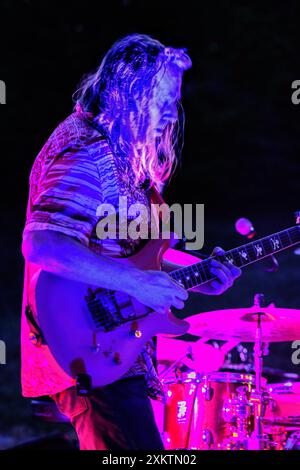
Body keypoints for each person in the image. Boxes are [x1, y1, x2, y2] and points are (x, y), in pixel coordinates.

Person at [21, 33, 241, 450]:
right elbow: (43, 244)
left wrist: (192, 274)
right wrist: (136, 284)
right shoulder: (86, 152)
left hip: (117, 345)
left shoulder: (121, 154)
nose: (172, 116)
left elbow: (124, 253)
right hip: (83, 347)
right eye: (163, 102)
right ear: (129, 97)